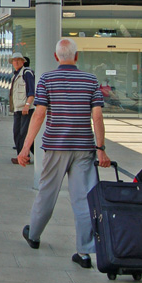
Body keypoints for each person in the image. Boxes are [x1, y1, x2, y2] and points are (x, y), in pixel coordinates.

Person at [17, 38, 111, 270]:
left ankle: (34, 235)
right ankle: (85, 252)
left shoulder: (47, 79)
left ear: (56, 56)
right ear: (76, 57)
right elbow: (97, 117)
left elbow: (39, 115)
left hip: (55, 146)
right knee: (83, 198)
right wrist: (101, 149)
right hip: (84, 149)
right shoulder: (91, 80)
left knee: (47, 192)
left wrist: (25, 147)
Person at [9, 52, 35, 164]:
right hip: (17, 109)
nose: (16, 62)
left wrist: (27, 105)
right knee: (17, 133)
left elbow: (31, 91)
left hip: (26, 109)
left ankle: (24, 157)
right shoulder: (15, 75)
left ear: (23, 61)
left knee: (23, 133)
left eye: (19, 60)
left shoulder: (27, 73)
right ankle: (23, 155)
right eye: (14, 60)